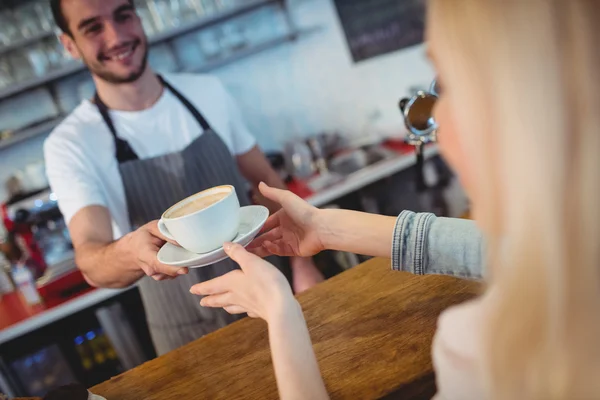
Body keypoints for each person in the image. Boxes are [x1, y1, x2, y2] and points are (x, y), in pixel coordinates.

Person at [190, 0, 600, 398]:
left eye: (447, 85)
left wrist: (280, 313)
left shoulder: (494, 350)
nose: (435, 124)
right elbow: (494, 250)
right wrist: (324, 226)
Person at [43, 0, 323, 356]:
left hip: (271, 299)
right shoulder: (71, 143)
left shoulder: (205, 92)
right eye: (92, 27)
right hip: (186, 336)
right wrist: (130, 252)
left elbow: (265, 180)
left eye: (123, 15)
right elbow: (91, 260)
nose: (116, 36)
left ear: (138, 18)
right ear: (69, 44)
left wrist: (302, 264)